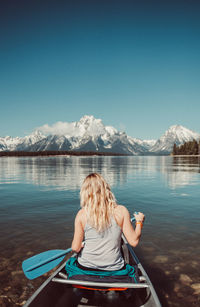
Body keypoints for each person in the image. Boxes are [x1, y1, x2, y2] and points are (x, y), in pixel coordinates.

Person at [71, 173, 145, 271]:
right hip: (114, 268)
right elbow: (134, 241)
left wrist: (80, 245)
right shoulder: (121, 211)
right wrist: (139, 222)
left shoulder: (81, 214)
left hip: (85, 267)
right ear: (106, 189)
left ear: (85, 193)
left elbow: (75, 248)